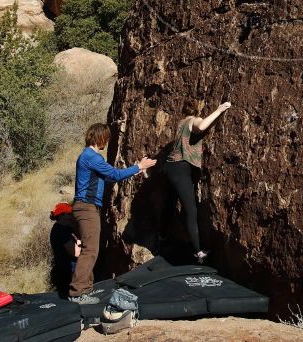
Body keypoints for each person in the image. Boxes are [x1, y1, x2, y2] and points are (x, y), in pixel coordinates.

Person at [68, 124, 157, 305]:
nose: (107, 142)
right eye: (106, 138)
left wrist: (136, 170)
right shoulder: (91, 157)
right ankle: (78, 293)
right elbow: (114, 175)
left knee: (90, 248)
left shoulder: (89, 157)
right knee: (90, 250)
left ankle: (85, 289)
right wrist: (138, 166)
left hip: (87, 207)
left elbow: (108, 177)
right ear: (100, 138)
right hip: (87, 207)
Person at [165, 99, 231, 263]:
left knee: (173, 206)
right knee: (191, 210)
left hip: (172, 168)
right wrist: (219, 110)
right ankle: (198, 251)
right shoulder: (194, 120)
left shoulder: (181, 122)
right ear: (196, 111)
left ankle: (166, 239)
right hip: (180, 169)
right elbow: (201, 126)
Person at [49, 202, 80, 298]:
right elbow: (76, 253)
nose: (72, 215)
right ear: (62, 216)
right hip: (67, 272)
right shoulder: (61, 231)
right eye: (69, 214)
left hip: (66, 270)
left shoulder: (63, 228)